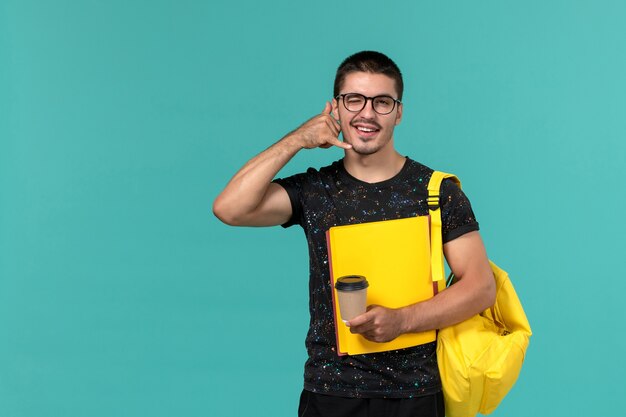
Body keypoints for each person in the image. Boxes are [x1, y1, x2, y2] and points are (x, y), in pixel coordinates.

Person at [213, 51, 496, 417]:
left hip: (416, 396)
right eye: (354, 100)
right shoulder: (315, 189)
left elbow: (481, 286)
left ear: (399, 112)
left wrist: (403, 320)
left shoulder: (437, 191)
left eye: (382, 102)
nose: (366, 113)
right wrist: (297, 139)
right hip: (331, 394)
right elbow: (230, 208)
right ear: (336, 108)